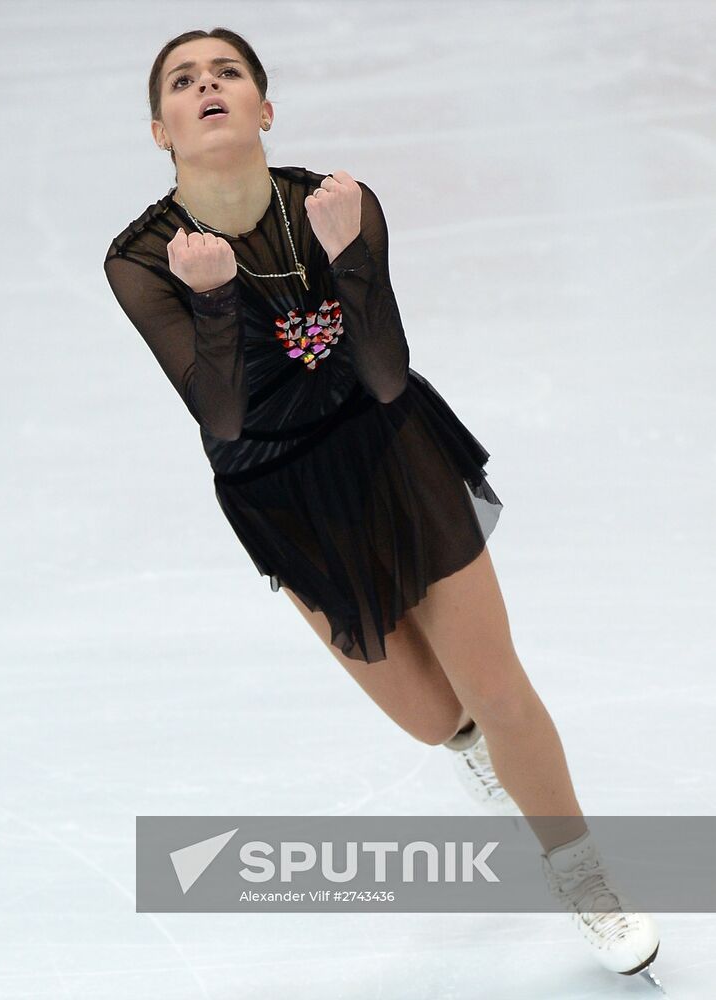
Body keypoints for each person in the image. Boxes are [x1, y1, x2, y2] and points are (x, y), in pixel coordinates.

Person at [103, 28, 665, 987]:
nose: (209, 87)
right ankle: (473, 754)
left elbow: (384, 371)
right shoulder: (141, 258)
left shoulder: (334, 203)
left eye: (228, 73)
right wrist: (209, 300)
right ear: (159, 127)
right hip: (279, 489)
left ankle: (585, 878)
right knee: (432, 717)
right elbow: (226, 414)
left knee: (496, 686)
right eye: (184, 81)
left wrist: (348, 256)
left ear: (264, 109)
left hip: (389, 448)